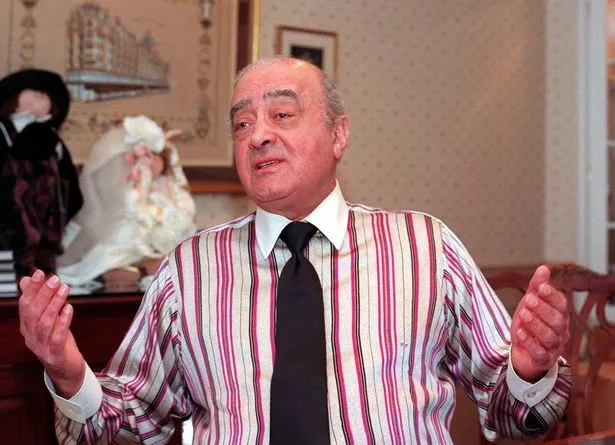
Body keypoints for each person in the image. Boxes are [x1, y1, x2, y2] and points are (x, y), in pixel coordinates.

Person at [18, 56, 571, 444]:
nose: (258, 134)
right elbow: (133, 420)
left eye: (282, 115)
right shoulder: (189, 270)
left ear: (339, 135)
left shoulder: (426, 248)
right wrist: (69, 372)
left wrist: (529, 371)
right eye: (242, 123)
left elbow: (517, 414)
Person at [56, 115, 196, 289]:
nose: (151, 163)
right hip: (133, 235)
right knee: (111, 256)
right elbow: (131, 208)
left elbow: (182, 208)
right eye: (147, 157)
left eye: (155, 156)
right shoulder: (133, 184)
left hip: (163, 244)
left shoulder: (168, 185)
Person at [0, 68, 83, 278]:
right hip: (8, 228)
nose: (40, 99)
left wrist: (62, 216)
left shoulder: (53, 141)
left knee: (41, 278)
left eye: (45, 96)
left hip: (47, 228)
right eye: (35, 93)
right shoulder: (3, 132)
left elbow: (70, 186)